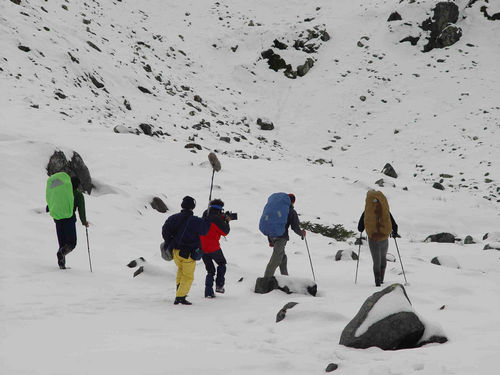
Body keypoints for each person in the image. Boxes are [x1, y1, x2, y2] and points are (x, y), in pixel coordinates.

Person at [162, 196, 210, 305]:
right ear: (193, 207)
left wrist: (170, 242)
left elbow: (165, 231)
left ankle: (179, 291)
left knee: (180, 271)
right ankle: (180, 297)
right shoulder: (195, 221)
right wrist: (206, 219)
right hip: (187, 254)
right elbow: (205, 231)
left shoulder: (172, 218)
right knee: (188, 276)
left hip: (175, 252)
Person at [46, 173, 88, 269]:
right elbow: (81, 210)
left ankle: (62, 265)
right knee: (71, 243)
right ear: (77, 185)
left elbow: (53, 202)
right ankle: (62, 254)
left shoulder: (61, 192)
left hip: (58, 219)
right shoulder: (78, 195)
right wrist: (84, 222)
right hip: (69, 219)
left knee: (62, 243)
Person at [357, 190, 398, 287]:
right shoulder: (384, 209)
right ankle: (382, 280)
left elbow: (360, 227)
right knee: (383, 259)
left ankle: (377, 282)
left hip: (373, 239)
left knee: (376, 261)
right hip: (384, 238)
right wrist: (394, 232)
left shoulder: (367, 211)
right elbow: (394, 223)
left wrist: (363, 227)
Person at [263, 193, 306, 277]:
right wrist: (302, 234)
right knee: (276, 259)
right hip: (281, 238)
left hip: (271, 236)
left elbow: (270, 223)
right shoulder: (291, 211)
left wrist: (270, 240)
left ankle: (285, 277)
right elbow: (295, 227)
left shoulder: (276, 209)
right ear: (293, 202)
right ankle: (265, 280)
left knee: (282, 257)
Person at [199, 199, 231, 298]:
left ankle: (208, 291)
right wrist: (226, 221)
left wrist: (222, 218)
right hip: (213, 247)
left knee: (210, 271)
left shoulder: (205, 215)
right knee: (222, 263)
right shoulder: (217, 220)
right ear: (220, 209)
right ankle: (219, 286)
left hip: (202, 247)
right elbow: (225, 232)